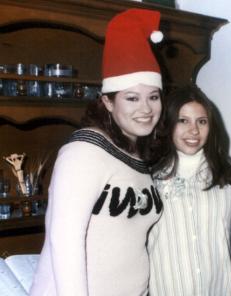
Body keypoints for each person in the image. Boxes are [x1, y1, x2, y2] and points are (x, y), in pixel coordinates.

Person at [30, 8, 164, 296]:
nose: (146, 108)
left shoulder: (136, 152)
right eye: (132, 98)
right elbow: (64, 240)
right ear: (107, 102)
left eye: (153, 97)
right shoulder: (84, 152)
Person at [148, 84, 231, 296]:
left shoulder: (229, 179)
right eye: (183, 120)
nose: (193, 130)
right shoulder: (148, 179)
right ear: (168, 124)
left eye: (201, 122)